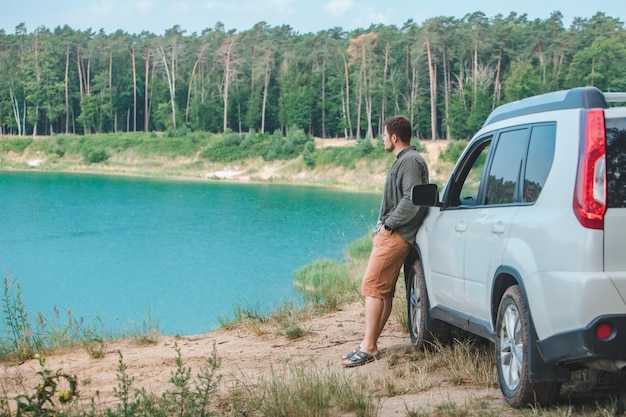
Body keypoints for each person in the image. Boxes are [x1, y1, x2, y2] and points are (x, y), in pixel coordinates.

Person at [342, 115, 429, 367]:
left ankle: (368, 347)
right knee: (384, 291)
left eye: (383, 135)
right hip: (393, 233)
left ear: (394, 137)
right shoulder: (404, 160)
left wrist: (388, 225)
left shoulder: (410, 161)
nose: (382, 139)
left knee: (371, 287)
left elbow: (412, 199)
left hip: (396, 234)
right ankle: (370, 344)